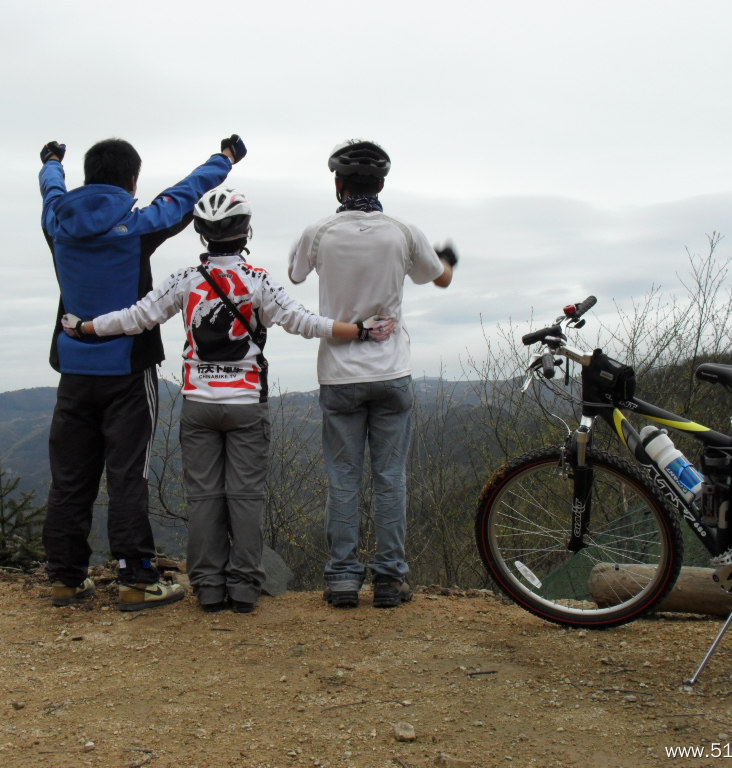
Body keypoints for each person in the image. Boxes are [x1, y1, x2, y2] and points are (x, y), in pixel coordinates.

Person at [62, 186, 394, 613]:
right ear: (246, 231)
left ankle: (208, 587)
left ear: (202, 234)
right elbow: (304, 322)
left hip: (199, 403)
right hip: (245, 404)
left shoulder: (185, 280)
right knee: (246, 498)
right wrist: (361, 330)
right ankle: (243, 589)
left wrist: (86, 327)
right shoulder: (257, 282)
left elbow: (136, 318)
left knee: (203, 499)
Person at [38, 134, 246, 611]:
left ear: (89, 178)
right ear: (132, 181)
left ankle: (66, 578)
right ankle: (136, 578)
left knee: (69, 477)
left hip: (73, 371)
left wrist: (51, 162)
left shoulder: (58, 223)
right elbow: (186, 193)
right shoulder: (137, 226)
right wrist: (225, 158)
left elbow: (51, 191)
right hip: (128, 371)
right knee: (128, 473)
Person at [288, 138, 457, 609]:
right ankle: (389, 579)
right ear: (382, 182)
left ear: (337, 183)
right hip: (392, 374)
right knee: (389, 477)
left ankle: (342, 578)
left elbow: (296, 275)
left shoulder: (318, 232)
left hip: (339, 374)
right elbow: (438, 278)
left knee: (343, 479)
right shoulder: (403, 232)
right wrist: (448, 260)